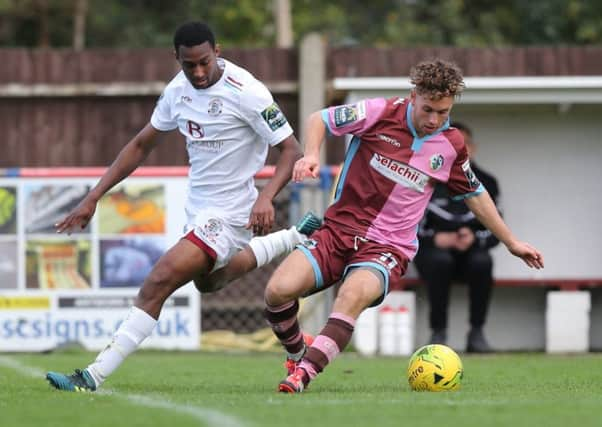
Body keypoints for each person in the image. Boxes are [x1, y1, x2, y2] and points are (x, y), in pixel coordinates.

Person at [46, 21, 321, 392]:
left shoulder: (248, 92)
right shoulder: (178, 92)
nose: (199, 72)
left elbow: (291, 149)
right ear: (176, 59)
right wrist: (94, 196)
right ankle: (292, 239)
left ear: (217, 51)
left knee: (158, 281)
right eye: (189, 65)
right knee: (209, 282)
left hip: (233, 211)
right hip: (199, 210)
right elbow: (141, 145)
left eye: (205, 62)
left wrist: (266, 196)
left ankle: (92, 376)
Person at [263, 58, 544, 394]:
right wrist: (310, 155)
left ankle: (303, 375)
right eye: (428, 110)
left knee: (350, 296)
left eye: (443, 112)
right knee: (277, 292)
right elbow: (319, 119)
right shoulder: (378, 112)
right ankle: (297, 353)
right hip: (338, 231)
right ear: (414, 95)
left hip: (387, 247)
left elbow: (475, 194)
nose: (435, 120)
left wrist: (512, 242)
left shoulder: (451, 145)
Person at [414, 122, 500, 352]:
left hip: (469, 254)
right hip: (433, 254)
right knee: (440, 261)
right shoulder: (425, 179)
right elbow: (408, 225)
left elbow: (495, 229)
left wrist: (474, 238)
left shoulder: (487, 183)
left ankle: (477, 332)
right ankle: (438, 332)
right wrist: (435, 239)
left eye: (464, 145)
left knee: (483, 261)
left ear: (472, 148)